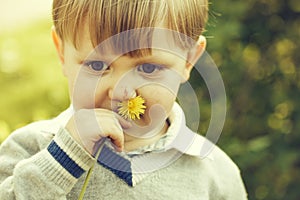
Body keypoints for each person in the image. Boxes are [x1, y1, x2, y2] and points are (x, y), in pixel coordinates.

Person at [0, 0, 247, 199]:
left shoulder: (214, 173)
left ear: (189, 60)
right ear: (62, 52)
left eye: (148, 69)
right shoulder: (29, 150)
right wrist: (62, 159)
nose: (121, 92)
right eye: (97, 65)